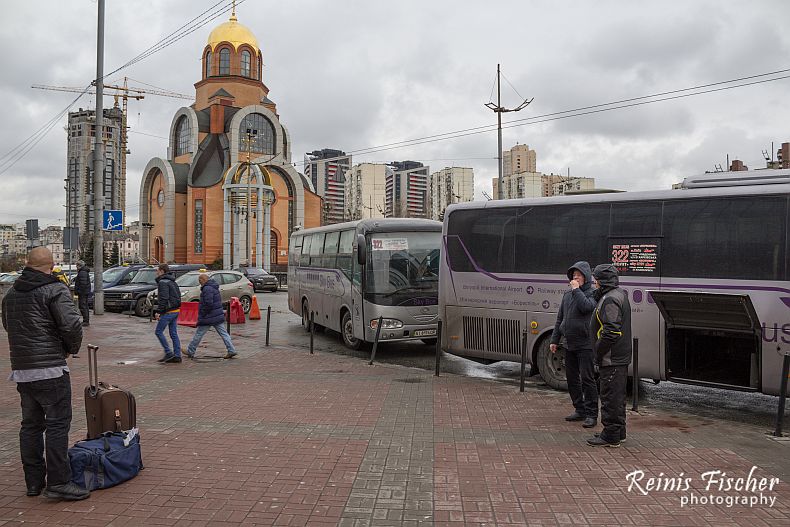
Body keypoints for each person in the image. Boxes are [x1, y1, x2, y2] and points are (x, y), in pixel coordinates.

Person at [1, 247, 90, 500]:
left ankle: (33, 482)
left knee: (30, 426)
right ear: (51, 266)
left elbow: (8, 326)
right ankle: (59, 483)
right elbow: (72, 324)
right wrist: (69, 350)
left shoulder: (12, 293)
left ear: (27, 264)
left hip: (22, 370)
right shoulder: (54, 288)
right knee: (57, 425)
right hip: (50, 369)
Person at [587, 263, 632, 447]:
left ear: (602, 281)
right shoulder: (618, 294)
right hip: (617, 356)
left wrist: (598, 351)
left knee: (609, 397)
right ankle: (618, 431)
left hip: (611, 357)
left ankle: (611, 436)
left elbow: (611, 331)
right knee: (617, 397)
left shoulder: (610, 300)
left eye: (595, 280)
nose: (593, 283)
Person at [550, 261, 598, 428]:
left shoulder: (593, 293)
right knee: (572, 379)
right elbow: (560, 318)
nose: (575, 278)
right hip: (569, 343)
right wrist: (554, 340)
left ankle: (592, 413)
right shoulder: (567, 295)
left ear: (586, 277)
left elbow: (586, 307)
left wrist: (577, 290)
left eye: (578, 275)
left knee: (587, 379)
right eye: (573, 275)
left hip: (585, 344)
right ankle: (580, 409)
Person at [186, 274, 237, 359]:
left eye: (200, 280)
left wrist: (203, 313)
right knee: (224, 333)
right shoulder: (213, 286)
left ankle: (190, 351)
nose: (199, 282)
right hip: (216, 315)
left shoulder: (207, 288)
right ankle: (231, 350)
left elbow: (208, 303)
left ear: (203, 279)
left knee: (199, 334)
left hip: (209, 316)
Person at [154, 264, 182, 363]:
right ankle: (177, 355)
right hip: (176, 310)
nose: (156, 272)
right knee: (173, 333)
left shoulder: (162, 282)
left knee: (158, 331)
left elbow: (163, 298)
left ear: (162, 271)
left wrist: (159, 312)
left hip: (168, 311)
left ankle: (168, 352)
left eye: (157, 270)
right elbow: (178, 295)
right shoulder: (172, 281)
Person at [74, 260, 91, 327]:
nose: (76, 267)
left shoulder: (82, 273)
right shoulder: (84, 272)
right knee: (85, 306)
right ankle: (86, 320)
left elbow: (82, 284)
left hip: (82, 293)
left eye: (76, 266)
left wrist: (79, 291)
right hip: (84, 292)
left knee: (83, 306)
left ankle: (85, 321)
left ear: (79, 266)